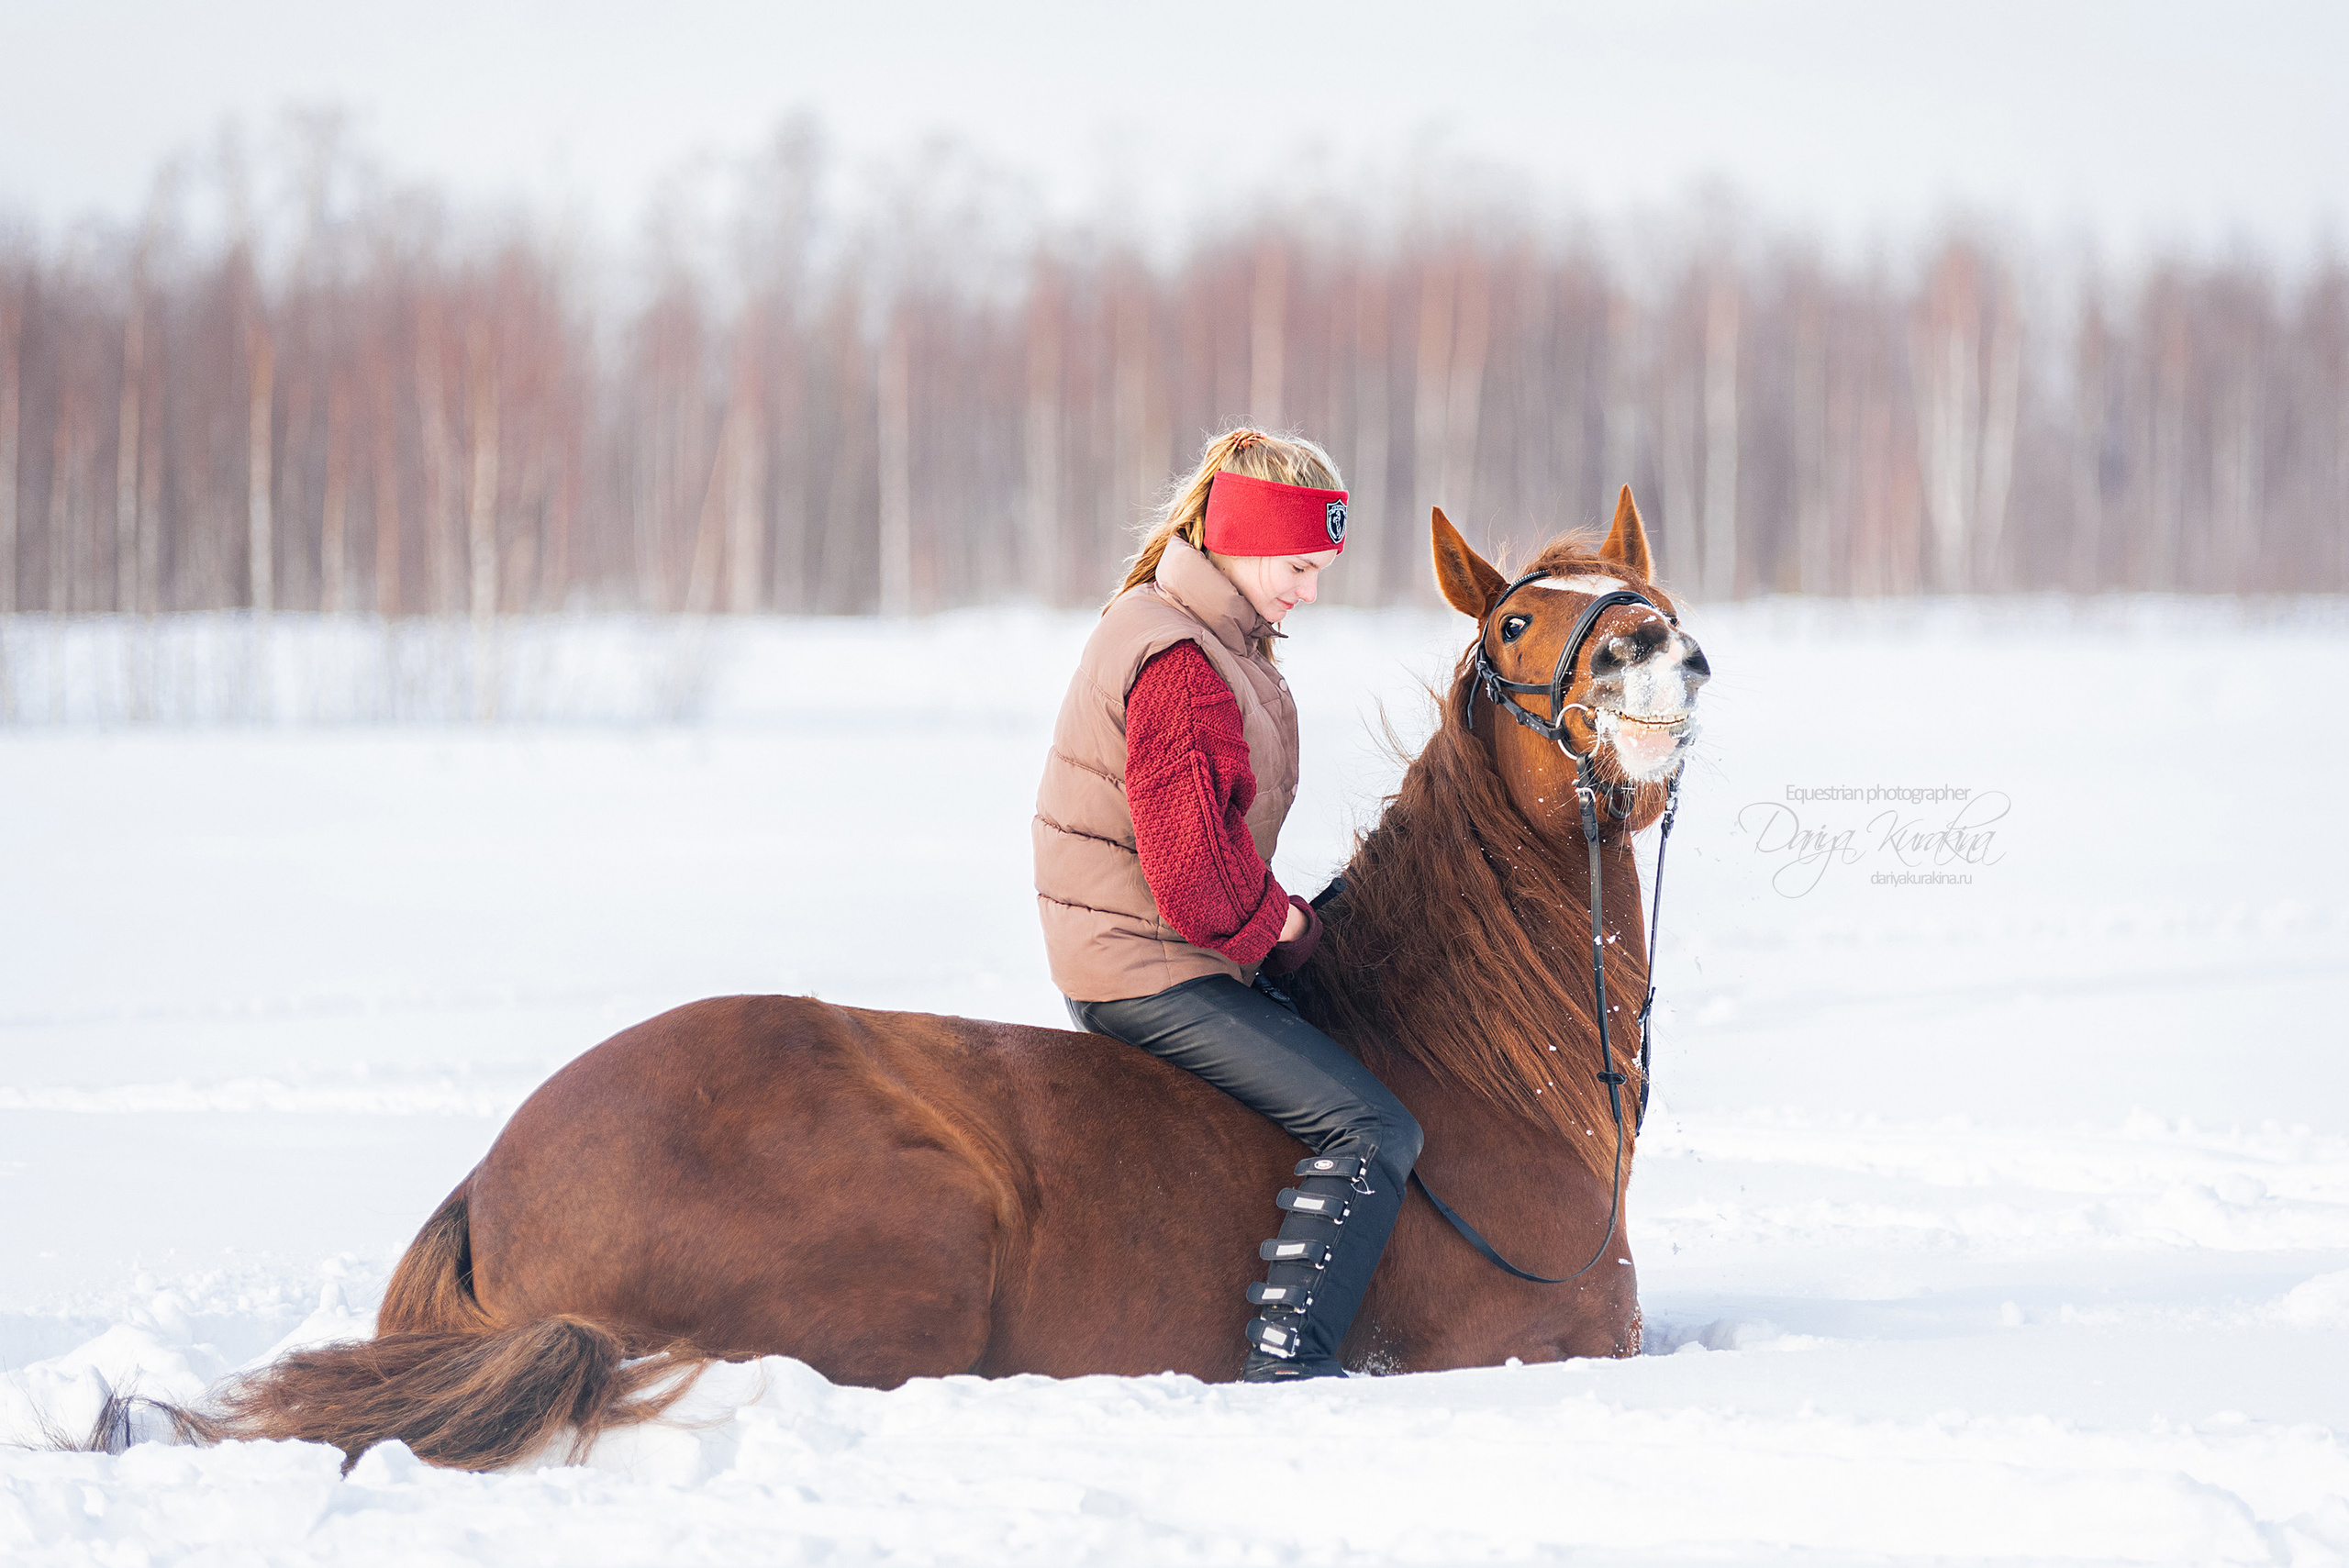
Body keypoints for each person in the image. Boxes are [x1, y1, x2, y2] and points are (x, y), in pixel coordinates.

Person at [1033, 427, 1423, 1381]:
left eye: (1320, 567)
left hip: (1159, 947)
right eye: (1298, 564)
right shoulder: (1182, 663)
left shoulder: (1186, 627)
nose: (1309, 590)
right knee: (1374, 1127)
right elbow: (1197, 882)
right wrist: (1287, 926)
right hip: (1149, 965)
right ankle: (1289, 1352)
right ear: (1243, 540)